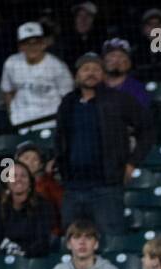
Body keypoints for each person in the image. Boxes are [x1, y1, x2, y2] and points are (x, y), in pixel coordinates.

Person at [54, 51, 154, 236]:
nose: (91, 73)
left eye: (96, 69)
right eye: (86, 69)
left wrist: (132, 163)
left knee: (111, 241)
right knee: (71, 242)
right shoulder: (68, 102)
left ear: (103, 74)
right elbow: (60, 137)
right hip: (72, 188)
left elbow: (147, 129)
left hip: (106, 187)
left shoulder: (119, 99)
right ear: (77, 75)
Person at [1, 21, 72, 129]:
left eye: (36, 43)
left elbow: (68, 98)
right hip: (21, 122)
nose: (32, 47)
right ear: (20, 47)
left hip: (49, 122)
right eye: (27, 43)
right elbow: (7, 91)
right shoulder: (11, 63)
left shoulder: (57, 66)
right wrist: (12, 114)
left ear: (44, 44)